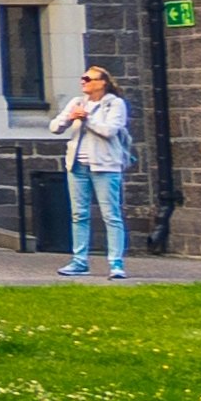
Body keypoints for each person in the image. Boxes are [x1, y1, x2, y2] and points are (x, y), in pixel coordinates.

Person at [58, 61, 134, 278]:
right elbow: (54, 127)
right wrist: (69, 117)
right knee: (78, 214)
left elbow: (109, 131)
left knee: (111, 215)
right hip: (77, 165)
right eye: (82, 78)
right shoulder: (77, 102)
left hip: (105, 166)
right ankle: (79, 261)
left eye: (88, 79)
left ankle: (116, 264)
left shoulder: (115, 104)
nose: (83, 82)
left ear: (102, 83)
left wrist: (86, 118)